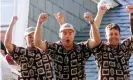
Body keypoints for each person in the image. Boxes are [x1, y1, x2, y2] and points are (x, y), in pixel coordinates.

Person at [34, 12, 101, 80]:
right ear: (60, 35)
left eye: (70, 33)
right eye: (64, 33)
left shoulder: (81, 48)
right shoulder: (55, 48)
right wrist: (39, 23)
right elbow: (37, 43)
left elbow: (96, 41)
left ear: (73, 35)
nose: (67, 36)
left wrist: (92, 22)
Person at [92, 4, 133, 80]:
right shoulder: (101, 49)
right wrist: (99, 14)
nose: (113, 36)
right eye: (111, 34)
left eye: (116, 34)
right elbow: (93, 36)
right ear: (106, 37)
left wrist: (132, 16)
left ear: (120, 36)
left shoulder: (125, 47)